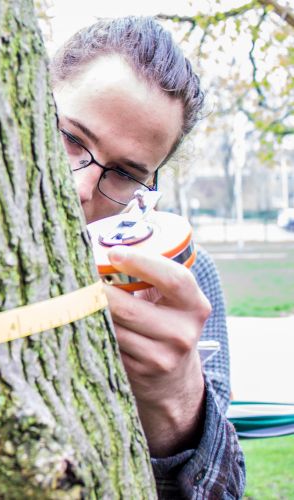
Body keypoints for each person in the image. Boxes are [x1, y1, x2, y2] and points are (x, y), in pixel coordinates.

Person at [50, 17, 245, 498]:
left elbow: (226, 491)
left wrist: (177, 408)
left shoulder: (182, 280)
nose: (81, 188)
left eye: (122, 173)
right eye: (71, 138)